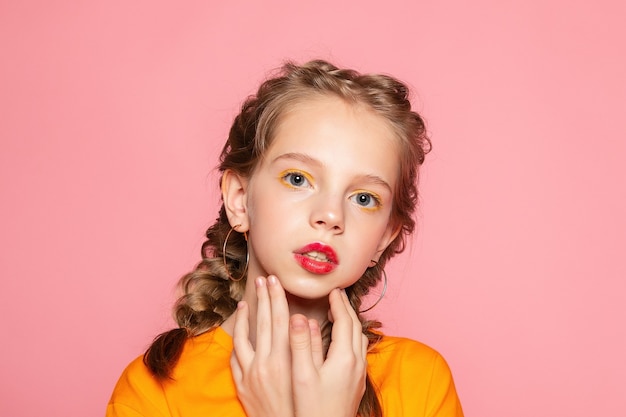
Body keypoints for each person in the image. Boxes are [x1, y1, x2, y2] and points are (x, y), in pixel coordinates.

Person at [106, 59, 464, 417]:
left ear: (384, 237)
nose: (331, 216)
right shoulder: (156, 391)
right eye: (297, 179)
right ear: (239, 199)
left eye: (363, 198)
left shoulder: (420, 381)